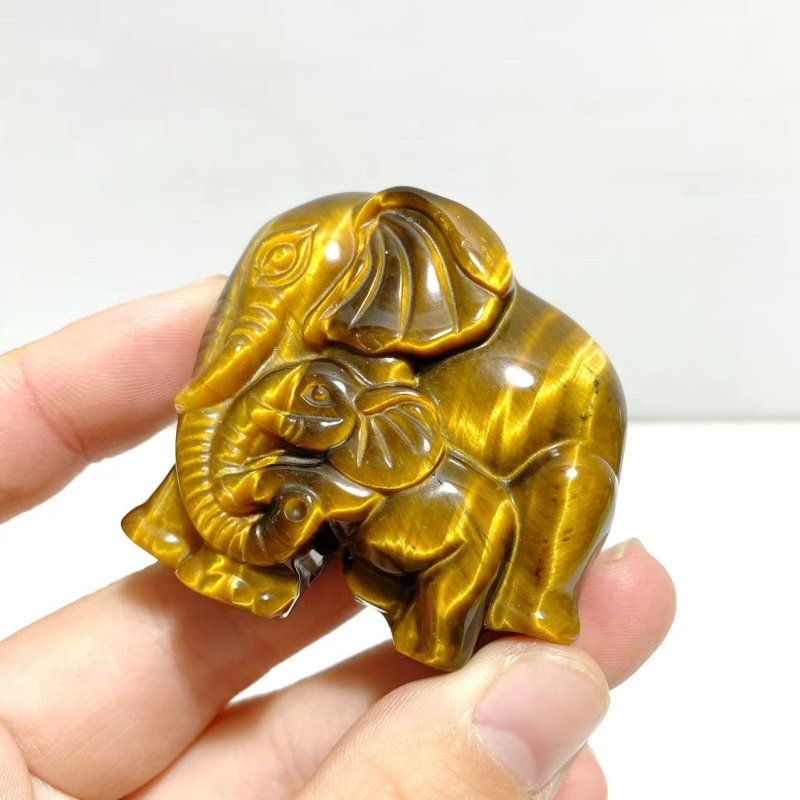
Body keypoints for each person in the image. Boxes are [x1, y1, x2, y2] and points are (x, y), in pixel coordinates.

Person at [0, 278, 676, 799]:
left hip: (481, 508)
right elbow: (280, 505)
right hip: (414, 483)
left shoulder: (383, 437)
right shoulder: (328, 449)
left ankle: (486, 616)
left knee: (469, 593)